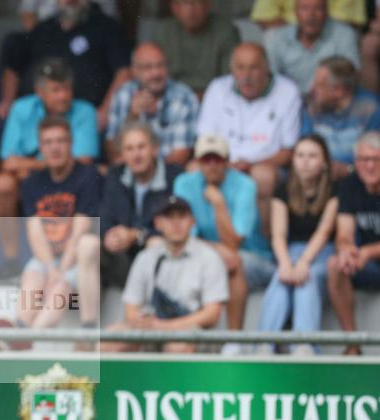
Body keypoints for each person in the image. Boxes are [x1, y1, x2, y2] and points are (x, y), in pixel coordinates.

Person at [0, 116, 101, 347]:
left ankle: (27, 337)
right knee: (33, 275)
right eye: (48, 142)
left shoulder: (87, 176)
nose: (55, 147)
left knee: (61, 287)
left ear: (71, 143)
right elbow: (34, 230)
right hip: (48, 256)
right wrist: (51, 269)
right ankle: (20, 325)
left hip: (78, 259)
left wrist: (60, 271)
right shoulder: (33, 183)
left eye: (61, 141)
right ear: (41, 148)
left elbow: (81, 228)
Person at [0, 58, 98, 279]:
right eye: (56, 90)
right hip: (34, 180)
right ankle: (11, 259)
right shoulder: (22, 108)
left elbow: (84, 160)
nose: (63, 96)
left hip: (69, 177)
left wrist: (31, 163)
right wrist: (44, 163)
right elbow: (8, 161)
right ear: (39, 91)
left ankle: (64, 258)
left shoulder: (84, 110)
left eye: (67, 89)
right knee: (3, 183)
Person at [173, 134, 275, 353]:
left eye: (217, 160)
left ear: (227, 161)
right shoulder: (184, 183)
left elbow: (234, 243)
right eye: (206, 160)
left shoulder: (245, 185)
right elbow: (181, 236)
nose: (212, 165)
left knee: (232, 261)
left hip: (255, 258)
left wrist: (219, 204)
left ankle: (234, 340)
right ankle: (181, 334)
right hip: (207, 253)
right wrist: (214, 249)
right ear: (198, 163)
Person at [100, 195, 228, 354]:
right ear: (158, 223)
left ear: (192, 221)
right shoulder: (146, 257)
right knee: (107, 341)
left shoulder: (209, 257)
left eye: (181, 217)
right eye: (169, 217)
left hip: (191, 330)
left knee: (178, 346)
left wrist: (164, 326)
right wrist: (140, 322)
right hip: (151, 327)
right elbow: (131, 307)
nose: (176, 223)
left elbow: (211, 315)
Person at [198, 43, 301, 235]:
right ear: (232, 70)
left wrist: (248, 165)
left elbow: (287, 152)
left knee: (262, 176)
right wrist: (224, 164)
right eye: (240, 68)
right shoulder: (217, 88)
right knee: (193, 171)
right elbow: (205, 141)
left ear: (267, 68)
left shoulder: (288, 91)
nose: (247, 75)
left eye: (254, 67)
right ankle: (204, 238)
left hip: (264, 165)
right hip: (221, 161)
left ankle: (261, 244)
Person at [257, 134, 338, 355]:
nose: (305, 161)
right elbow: (279, 233)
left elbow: (324, 232)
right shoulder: (283, 189)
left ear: (324, 162)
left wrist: (303, 263)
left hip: (322, 252)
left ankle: (304, 346)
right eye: (300, 155)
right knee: (280, 278)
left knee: (306, 280)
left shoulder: (335, 189)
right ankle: (264, 344)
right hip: (290, 252)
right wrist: (285, 264)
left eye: (312, 156)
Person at [0, 0, 130, 128]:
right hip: (38, 114)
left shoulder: (108, 28)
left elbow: (124, 71)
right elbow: (14, 62)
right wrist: (8, 101)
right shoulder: (44, 28)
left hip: (85, 117)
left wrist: (106, 111)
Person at [94, 121, 184, 291]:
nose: (136, 155)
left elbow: (177, 225)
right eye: (129, 149)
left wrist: (137, 235)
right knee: (88, 245)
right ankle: (89, 317)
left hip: (162, 257)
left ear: (155, 149)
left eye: (141, 147)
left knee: (156, 244)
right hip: (122, 258)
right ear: (122, 154)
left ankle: (156, 312)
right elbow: (104, 215)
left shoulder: (174, 177)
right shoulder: (115, 175)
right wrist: (109, 235)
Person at [327, 131, 380, 355]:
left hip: (371, 256)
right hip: (368, 264)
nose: (369, 166)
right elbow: (344, 231)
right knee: (334, 264)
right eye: (363, 160)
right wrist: (346, 249)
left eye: (376, 160)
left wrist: (367, 252)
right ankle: (353, 343)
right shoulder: (350, 186)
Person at [105, 42, 199, 166]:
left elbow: (180, 158)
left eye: (160, 66)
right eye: (147, 67)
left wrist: (148, 172)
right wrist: (132, 116)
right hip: (129, 175)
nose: (156, 73)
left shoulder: (184, 97)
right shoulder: (123, 94)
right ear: (134, 71)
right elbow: (113, 153)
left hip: (167, 177)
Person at [303, 56, 380, 180]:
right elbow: (303, 146)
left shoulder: (372, 110)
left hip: (359, 182)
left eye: (319, 84)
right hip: (318, 179)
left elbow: (378, 162)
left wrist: (348, 169)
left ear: (338, 91)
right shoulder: (312, 106)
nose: (312, 89)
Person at [263, 0, 360, 95]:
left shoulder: (344, 34)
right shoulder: (276, 37)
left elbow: (350, 77)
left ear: (327, 12)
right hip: (287, 100)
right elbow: (269, 79)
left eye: (318, 8)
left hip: (331, 100)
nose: (311, 15)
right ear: (295, 12)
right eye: (304, 8)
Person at [153, 0, 241, 95]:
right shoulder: (163, 32)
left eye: (196, 3)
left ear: (208, 4)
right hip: (169, 98)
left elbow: (230, 80)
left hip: (213, 99)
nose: (190, 10)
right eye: (185, 3)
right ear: (175, 7)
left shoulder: (226, 32)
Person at [252, 0, 368, 30]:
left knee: (346, 34)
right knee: (272, 37)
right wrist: (300, 32)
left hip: (332, 33)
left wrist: (309, 30)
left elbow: (347, 21)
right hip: (287, 33)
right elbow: (264, 17)